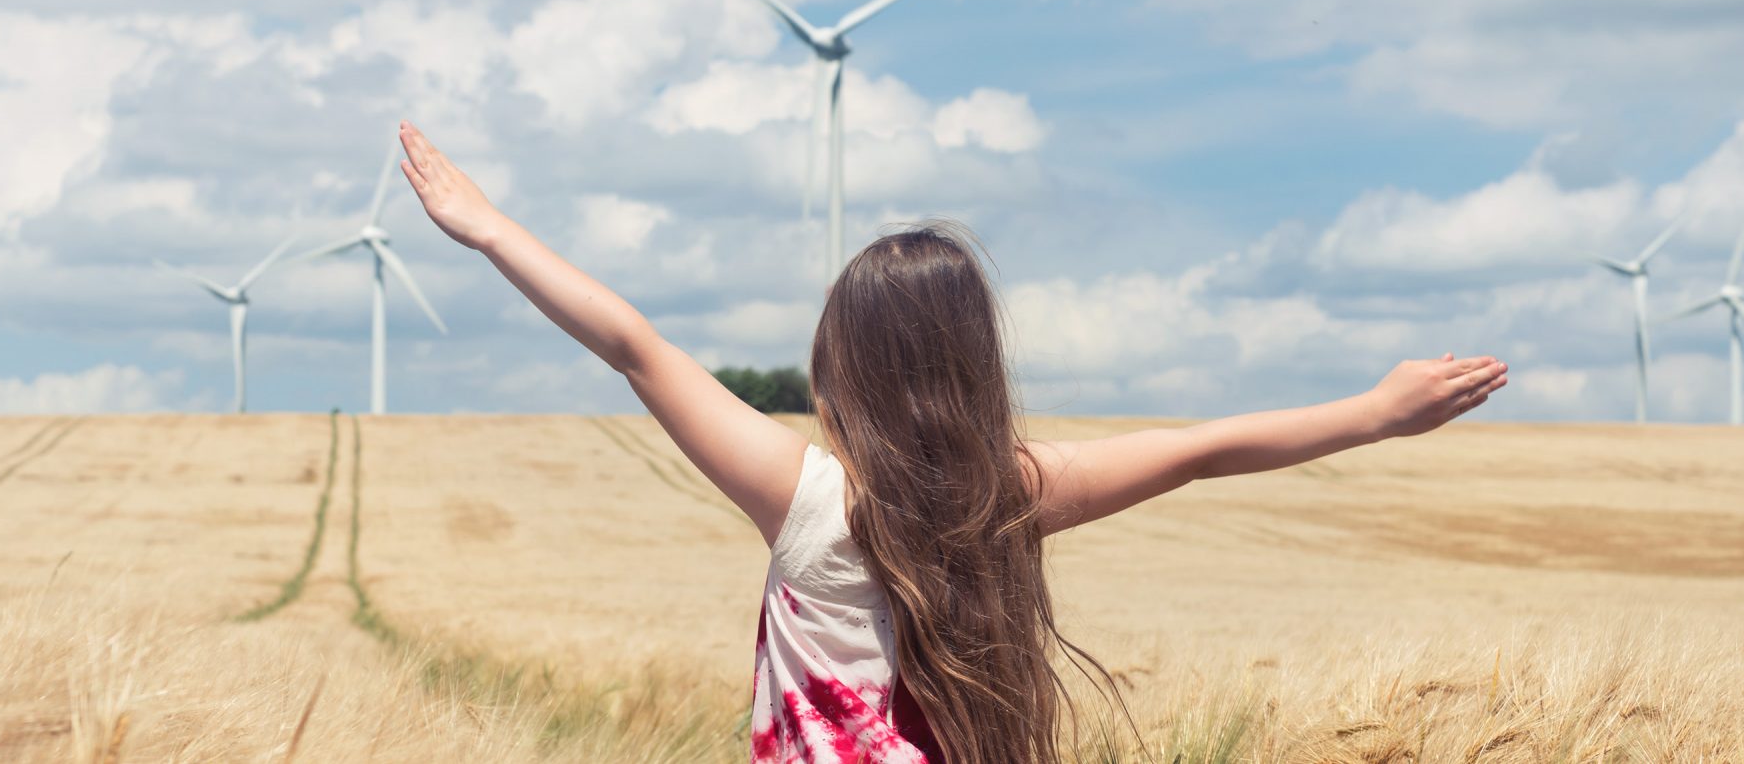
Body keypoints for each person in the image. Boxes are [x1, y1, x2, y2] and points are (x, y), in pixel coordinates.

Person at [389, 121, 1510, 764]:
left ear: (842, 362)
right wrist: (1371, 412)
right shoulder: (1011, 493)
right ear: (973, 363)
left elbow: (633, 344)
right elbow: (1200, 447)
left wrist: (489, 229)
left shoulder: (804, 496)